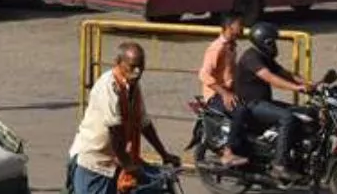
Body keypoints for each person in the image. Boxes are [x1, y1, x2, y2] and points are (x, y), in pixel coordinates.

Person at [67, 42, 180, 194]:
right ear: (118, 63)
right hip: (95, 163)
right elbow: (115, 132)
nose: (137, 72)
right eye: (132, 66)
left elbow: (144, 124)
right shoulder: (108, 87)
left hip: (117, 159)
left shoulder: (133, 86)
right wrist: (129, 166)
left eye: (141, 66)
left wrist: (164, 154)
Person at [233, 21, 314, 181]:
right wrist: (296, 88)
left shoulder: (264, 56)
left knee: (302, 113)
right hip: (251, 105)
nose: (275, 46)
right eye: (272, 42)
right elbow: (270, 77)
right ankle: (279, 165)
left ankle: (294, 156)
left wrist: (308, 83)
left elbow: (285, 73)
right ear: (264, 42)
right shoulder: (251, 57)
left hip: (263, 102)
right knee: (287, 118)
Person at [197, 12, 248, 167]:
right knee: (240, 111)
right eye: (240, 25)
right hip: (215, 95)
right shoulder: (217, 48)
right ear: (229, 27)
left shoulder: (232, 47)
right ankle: (227, 153)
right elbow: (204, 74)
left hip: (228, 92)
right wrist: (225, 94)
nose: (243, 28)